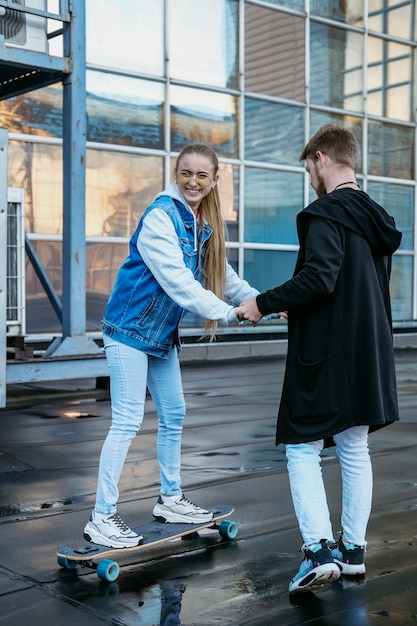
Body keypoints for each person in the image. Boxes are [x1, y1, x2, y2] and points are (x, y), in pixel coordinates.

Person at [236, 124, 402, 594]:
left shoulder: (324, 213)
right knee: (354, 449)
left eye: (309, 166)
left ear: (323, 158)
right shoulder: (375, 216)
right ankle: (352, 553)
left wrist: (262, 302)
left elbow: (321, 277)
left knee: (300, 447)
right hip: (368, 351)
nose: (309, 175)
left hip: (328, 354)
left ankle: (317, 550)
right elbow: (351, 286)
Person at [84, 143, 259, 548]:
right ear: (175, 174)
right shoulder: (160, 218)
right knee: (127, 422)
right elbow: (180, 283)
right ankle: (102, 517)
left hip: (160, 337)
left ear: (215, 181)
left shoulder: (200, 223)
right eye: (186, 173)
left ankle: (170, 499)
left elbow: (224, 274)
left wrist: (263, 302)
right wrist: (231, 314)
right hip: (129, 332)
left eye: (202, 175)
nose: (193, 182)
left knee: (174, 413)